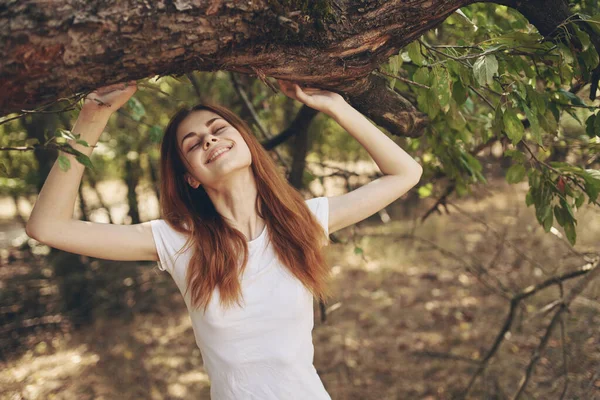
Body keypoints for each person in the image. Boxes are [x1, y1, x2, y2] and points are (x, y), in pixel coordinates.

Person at [26, 78, 423, 399]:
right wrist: (93, 117)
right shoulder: (179, 242)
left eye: (217, 130)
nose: (209, 141)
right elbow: (47, 228)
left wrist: (335, 106)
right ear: (191, 177)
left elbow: (405, 172)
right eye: (194, 143)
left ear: (247, 143)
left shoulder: (305, 222)